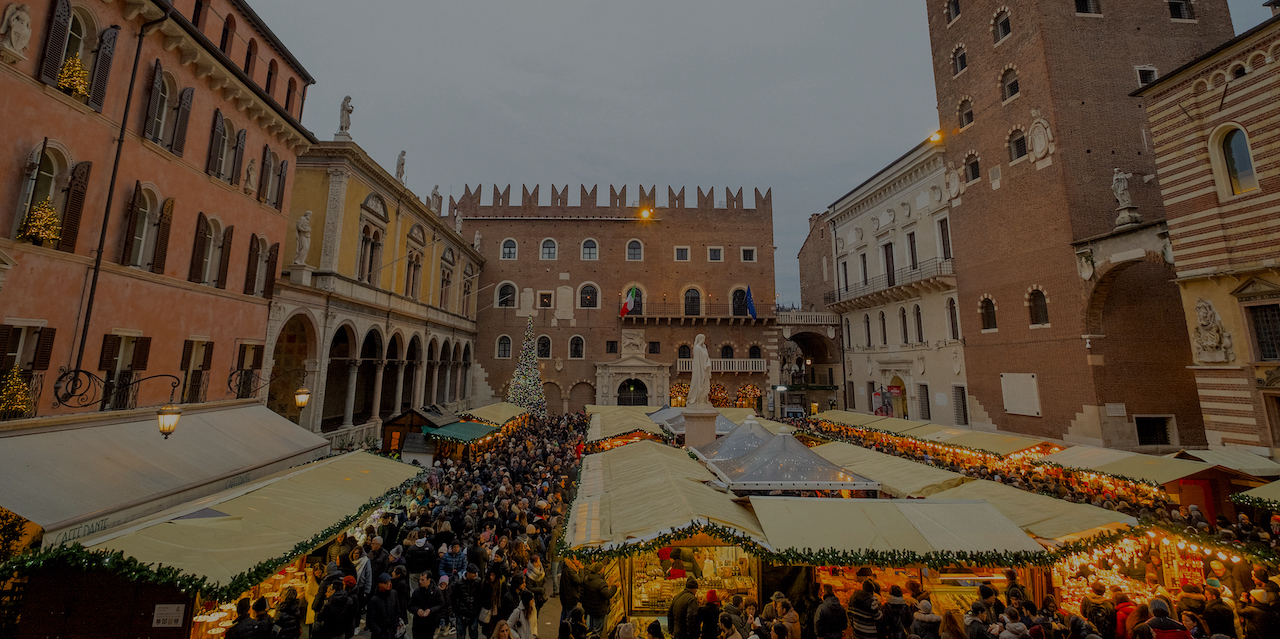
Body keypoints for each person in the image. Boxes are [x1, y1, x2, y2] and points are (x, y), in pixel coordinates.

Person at [581, 563, 619, 635]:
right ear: (599, 571)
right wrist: (615, 587)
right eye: (602, 568)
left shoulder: (587, 578)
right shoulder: (600, 583)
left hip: (590, 608)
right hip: (599, 610)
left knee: (591, 627)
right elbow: (607, 594)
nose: (604, 569)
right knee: (597, 630)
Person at [408, 572, 445, 639]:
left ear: (429, 580)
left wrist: (430, 610)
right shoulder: (417, 592)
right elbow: (410, 606)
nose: (420, 582)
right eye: (420, 579)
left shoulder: (436, 592)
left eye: (423, 580)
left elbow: (441, 605)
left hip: (431, 623)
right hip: (418, 623)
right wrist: (417, 610)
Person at [453, 563, 483, 639]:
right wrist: (456, 610)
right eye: (473, 573)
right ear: (468, 573)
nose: (475, 575)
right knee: (460, 636)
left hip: (474, 613)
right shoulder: (459, 583)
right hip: (461, 614)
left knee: (474, 635)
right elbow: (453, 597)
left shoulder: (478, 582)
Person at [367, 573, 401, 639]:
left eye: (389, 582)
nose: (388, 584)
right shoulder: (374, 599)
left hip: (391, 632)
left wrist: (395, 626)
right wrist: (379, 632)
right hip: (380, 634)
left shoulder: (394, 594)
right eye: (385, 583)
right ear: (379, 584)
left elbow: (397, 610)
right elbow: (370, 619)